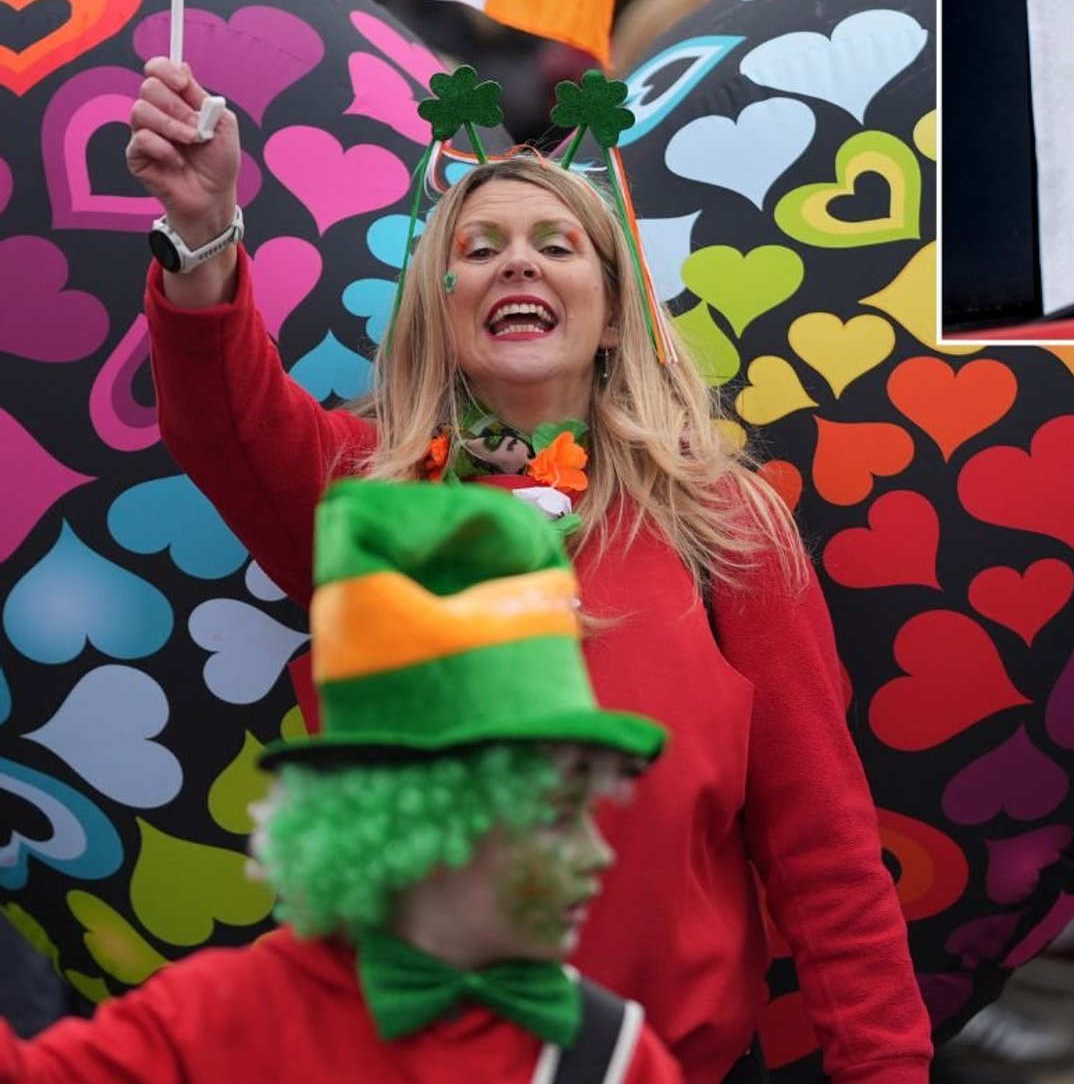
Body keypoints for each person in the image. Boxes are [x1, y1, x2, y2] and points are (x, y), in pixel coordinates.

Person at [124, 59, 932, 1084]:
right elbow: (222, 413)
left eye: (557, 246)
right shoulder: (367, 499)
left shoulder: (722, 526)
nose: (519, 266)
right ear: (442, 306)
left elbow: (824, 850)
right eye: (480, 248)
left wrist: (889, 1071)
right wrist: (202, 226)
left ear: (608, 316)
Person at [2, 479, 683, 1083]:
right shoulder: (215, 1018)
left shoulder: (611, 1056)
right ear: (422, 826)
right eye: (558, 816)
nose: (599, 853)